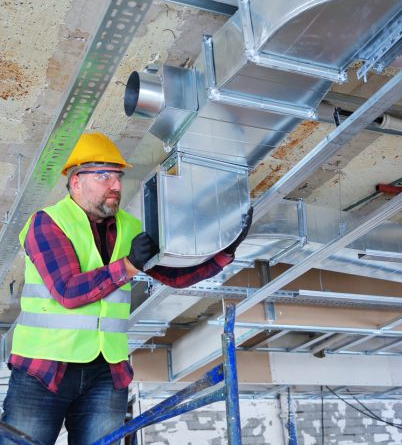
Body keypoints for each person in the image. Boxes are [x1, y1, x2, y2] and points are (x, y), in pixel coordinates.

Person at [0, 132, 252, 445]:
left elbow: (176, 276)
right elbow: (67, 291)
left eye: (118, 176)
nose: (116, 186)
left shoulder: (130, 229)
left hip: (106, 370)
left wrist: (226, 249)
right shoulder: (47, 223)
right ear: (76, 180)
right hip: (44, 368)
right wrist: (129, 266)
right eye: (104, 176)